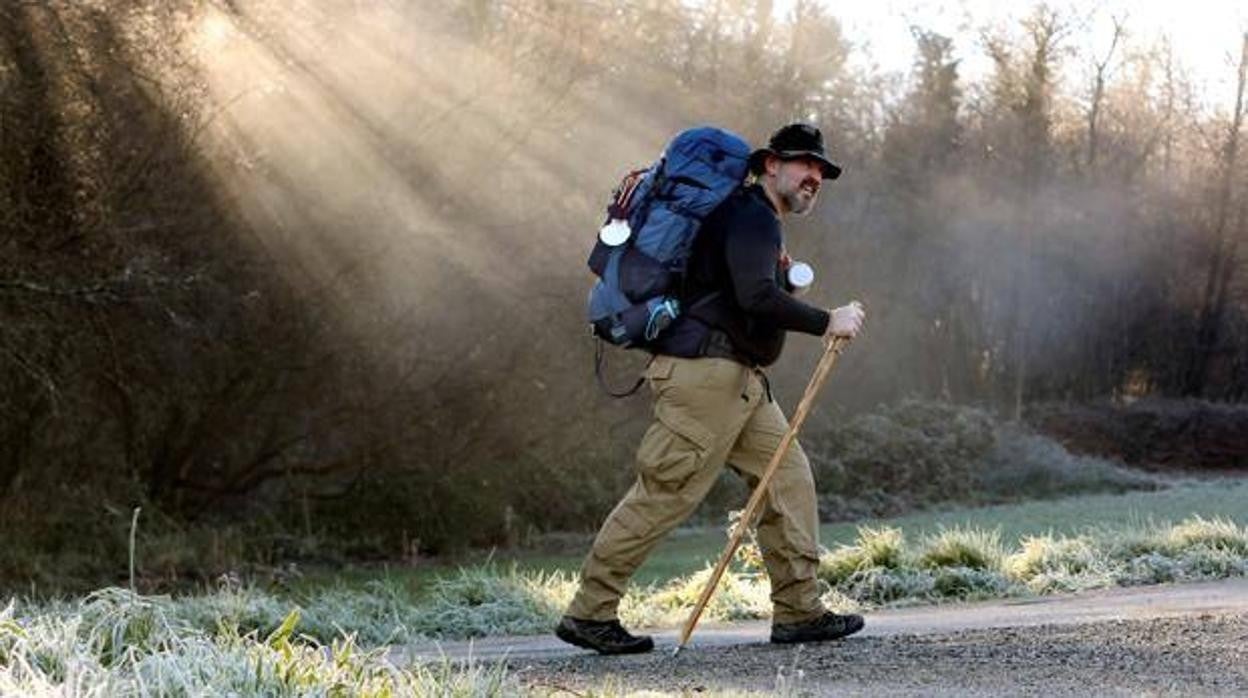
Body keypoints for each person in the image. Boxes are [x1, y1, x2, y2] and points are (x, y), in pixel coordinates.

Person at [556, 123, 867, 654]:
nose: (814, 176)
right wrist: (826, 319)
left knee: (787, 479)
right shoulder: (751, 216)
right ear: (771, 164)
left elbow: (746, 292)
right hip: (705, 378)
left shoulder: (752, 219)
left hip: (738, 381)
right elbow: (755, 299)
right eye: (803, 165)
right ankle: (590, 612)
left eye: (820, 171)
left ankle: (798, 610)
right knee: (665, 492)